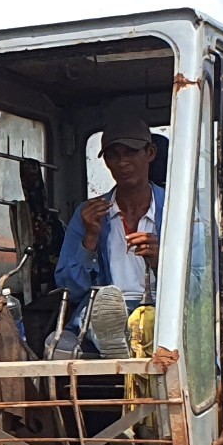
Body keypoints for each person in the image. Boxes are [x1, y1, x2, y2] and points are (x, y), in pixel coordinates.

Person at [55, 109, 166, 360]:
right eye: (113, 156)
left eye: (130, 152)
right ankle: (116, 336)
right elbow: (70, 289)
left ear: (150, 153)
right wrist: (90, 241)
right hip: (105, 309)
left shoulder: (180, 210)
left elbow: (203, 283)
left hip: (165, 310)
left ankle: (123, 338)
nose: (122, 163)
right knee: (58, 347)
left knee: (151, 326)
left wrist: (161, 260)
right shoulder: (89, 214)